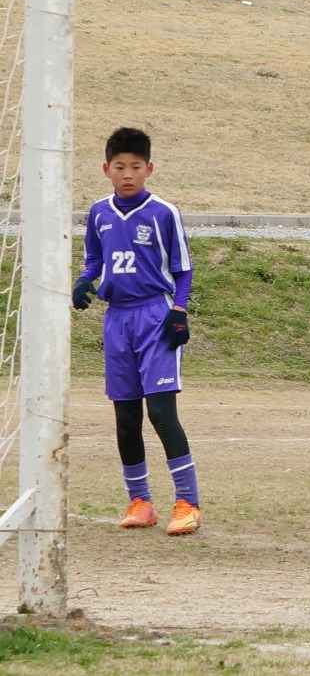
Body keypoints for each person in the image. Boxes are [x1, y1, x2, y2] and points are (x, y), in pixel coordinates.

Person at [72, 128, 202, 536]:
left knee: (160, 412)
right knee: (126, 416)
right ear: (106, 169)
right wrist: (84, 279)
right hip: (117, 319)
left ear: (149, 168)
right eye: (119, 167)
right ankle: (140, 501)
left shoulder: (163, 212)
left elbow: (182, 268)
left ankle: (188, 503)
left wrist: (179, 311)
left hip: (155, 317)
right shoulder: (99, 213)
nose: (127, 174)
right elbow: (95, 259)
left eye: (135, 167)